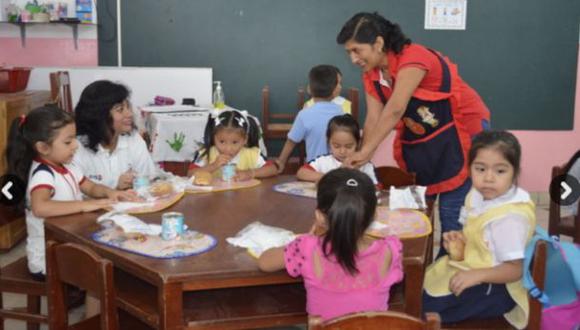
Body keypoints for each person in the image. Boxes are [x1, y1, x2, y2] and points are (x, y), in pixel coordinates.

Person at [336, 12, 490, 253]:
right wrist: (362, 154)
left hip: (462, 130)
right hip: (428, 138)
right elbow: (374, 118)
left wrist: (366, 151)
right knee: (421, 208)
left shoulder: (414, 57)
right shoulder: (372, 74)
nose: (354, 58)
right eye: (349, 53)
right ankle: (424, 265)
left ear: (378, 43)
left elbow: (396, 108)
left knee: (452, 209)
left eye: (357, 50)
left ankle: (451, 270)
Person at [5, 105, 137, 278]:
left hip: (68, 243)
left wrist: (111, 193)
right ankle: (103, 301)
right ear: (43, 148)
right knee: (105, 269)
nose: (75, 146)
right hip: (47, 259)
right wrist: (85, 205)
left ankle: (106, 300)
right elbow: (40, 207)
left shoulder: (68, 166)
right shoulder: (42, 174)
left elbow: (90, 187)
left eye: (74, 139)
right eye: (68, 142)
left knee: (114, 251)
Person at [422, 131, 535, 329]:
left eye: (500, 171)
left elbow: (515, 269)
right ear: (470, 169)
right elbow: (476, 233)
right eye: (480, 169)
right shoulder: (477, 195)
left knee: (424, 306)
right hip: (476, 268)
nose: (488, 178)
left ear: (515, 172)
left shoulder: (508, 219)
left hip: (499, 286)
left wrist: (476, 276)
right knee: (420, 288)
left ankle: (444, 319)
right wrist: (460, 238)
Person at [258, 168, 403, 321]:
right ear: (374, 215)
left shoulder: (306, 247)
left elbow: (264, 262)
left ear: (320, 217)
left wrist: (308, 237)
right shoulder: (391, 249)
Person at [73, 80, 158, 190]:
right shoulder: (76, 149)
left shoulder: (133, 139)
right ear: (99, 115)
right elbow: (75, 197)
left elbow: (148, 180)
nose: (129, 114)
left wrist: (138, 183)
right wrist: (115, 188)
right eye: (120, 110)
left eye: (128, 107)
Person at [275, 65, 344, 172]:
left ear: (309, 89)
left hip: (313, 169)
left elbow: (291, 141)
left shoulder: (304, 115)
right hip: (338, 168)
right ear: (335, 91)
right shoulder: (340, 112)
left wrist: (281, 162)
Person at [188, 110, 277, 180]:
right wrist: (213, 166)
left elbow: (273, 169)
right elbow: (190, 174)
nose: (228, 149)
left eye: (235, 142)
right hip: (214, 200)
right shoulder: (206, 154)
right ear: (213, 137)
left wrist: (249, 173)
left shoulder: (251, 155)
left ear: (245, 139)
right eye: (222, 142)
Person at [297, 114, 379, 186]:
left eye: (348, 146)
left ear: (358, 143)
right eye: (336, 146)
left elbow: (376, 187)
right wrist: (329, 178)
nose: (342, 151)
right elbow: (301, 173)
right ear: (328, 142)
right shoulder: (323, 161)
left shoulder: (364, 165)